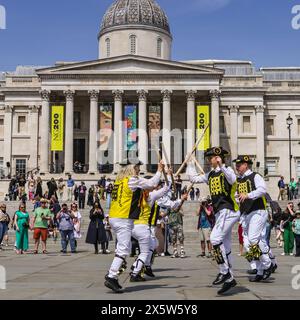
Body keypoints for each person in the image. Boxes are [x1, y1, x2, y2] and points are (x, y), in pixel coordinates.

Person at [104, 159, 164, 293]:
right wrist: (159, 170)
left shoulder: (119, 181)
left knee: (124, 247)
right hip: (123, 218)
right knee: (123, 249)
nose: (139, 170)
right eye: (137, 167)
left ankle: (113, 274)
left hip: (115, 216)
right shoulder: (132, 180)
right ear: (132, 168)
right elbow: (152, 183)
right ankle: (112, 276)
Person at [187, 147, 240, 295]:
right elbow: (193, 179)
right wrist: (190, 163)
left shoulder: (227, 171)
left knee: (215, 239)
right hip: (219, 213)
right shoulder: (210, 175)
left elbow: (233, 179)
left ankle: (224, 271)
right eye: (209, 157)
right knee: (226, 247)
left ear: (218, 158)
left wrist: (222, 165)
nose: (209, 160)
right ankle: (230, 279)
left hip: (228, 210)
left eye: (211, 157)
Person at [234, 155, 273, 282]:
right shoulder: (238, 181)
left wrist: (248, 195)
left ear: (246, 165)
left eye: (239, 165)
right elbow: (236, 196)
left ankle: (268, 264)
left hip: (258, 211)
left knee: (253, 239)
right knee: (248, 243)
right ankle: (260, 270)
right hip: (246, 213)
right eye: (236, 165)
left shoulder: (255, 176)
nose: (237, 167)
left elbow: (262, 190)